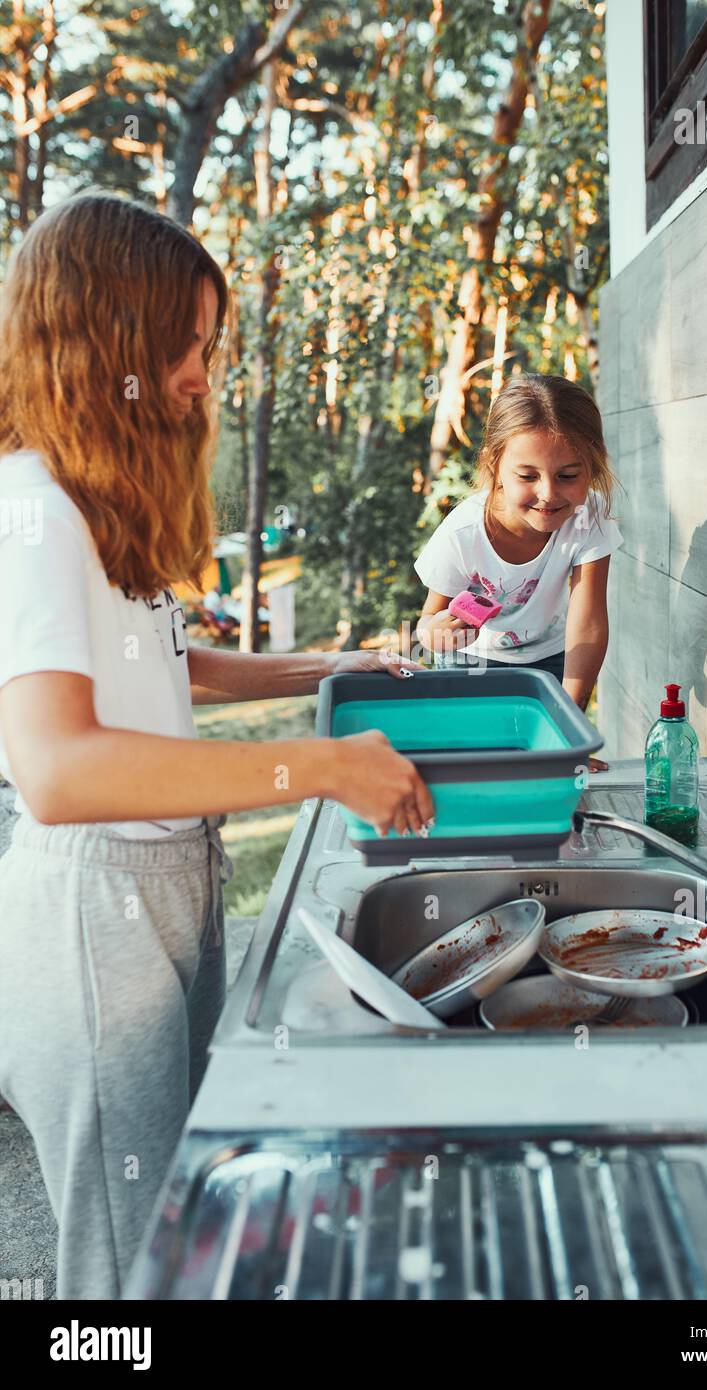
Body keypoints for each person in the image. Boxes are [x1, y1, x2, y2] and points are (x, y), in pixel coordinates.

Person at [0, 192, 433, 1300]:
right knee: (126, 1264)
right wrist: (321, 765)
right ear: (111, 337)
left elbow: (166, 671)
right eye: (185, 346)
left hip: (164, 887)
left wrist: (329, 669)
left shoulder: (90, 500)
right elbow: (57, 769)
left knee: (176, 1221)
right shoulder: (32, 511)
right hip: (93, 919)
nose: (199, 375)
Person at [414, 374, 624, 772]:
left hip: (550, 660)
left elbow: (589, 624)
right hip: (470, 665)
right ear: (496, 464)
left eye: (568, 475)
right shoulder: (462, 534)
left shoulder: (587, 515)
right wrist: (436, 634)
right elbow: (426, 622)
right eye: (528, 476)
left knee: (548, 766)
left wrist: (568, 727)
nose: (548, 494)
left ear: (592, 466)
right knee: (481, 769)